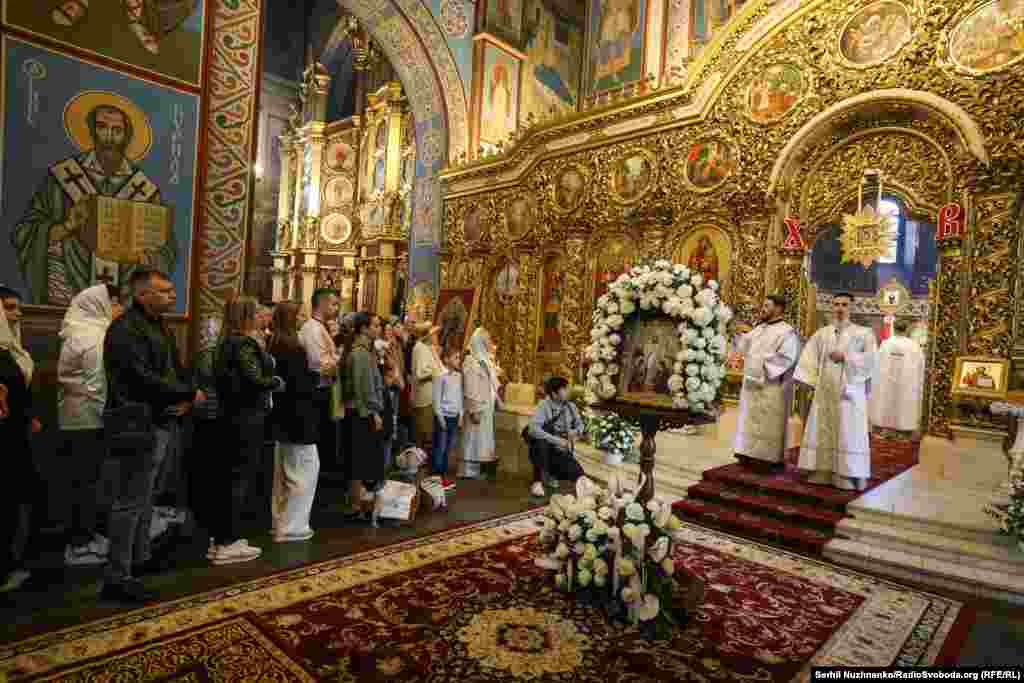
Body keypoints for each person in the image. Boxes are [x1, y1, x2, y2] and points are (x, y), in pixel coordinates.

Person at [102, 269, 201, 602]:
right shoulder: (125, 329)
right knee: (129, 501)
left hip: (159, 420)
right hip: (137, 423)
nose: (172, 296)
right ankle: (117, 575)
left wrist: (186, 397)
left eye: (172, 290)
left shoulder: (158, 325)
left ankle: (138, 560)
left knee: (145, 499)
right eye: (164, 291)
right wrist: (185, 393)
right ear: (142, 294)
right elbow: (140, 378)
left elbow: (174, 366)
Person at [211, 297, 283, 563]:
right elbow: (254, 378)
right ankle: (228, 541)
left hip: (231, 415)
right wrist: (275, 381)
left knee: (228, 477)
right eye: (256, 313)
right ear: (246, 316)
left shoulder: (225, 341)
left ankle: (222, 538)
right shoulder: (242, 342)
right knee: (238, 478)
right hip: (246, 417)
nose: (260, 317)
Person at [58, 283, 122, 566]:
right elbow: (97, 385)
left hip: (76, 415)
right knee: (86, 482)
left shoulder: (80, 329)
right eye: (116, 303)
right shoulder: (93, 335)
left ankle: (85, 537)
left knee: (82, 480)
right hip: (88, 418)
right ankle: (80, 544)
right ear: (102, 305)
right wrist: (109, 416)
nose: (120, 309)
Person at [794, 292, 878, 490]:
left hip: (849, 392)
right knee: (822, 428)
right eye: (837, 304)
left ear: (852, 308)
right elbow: (810, 356)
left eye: (844, 305)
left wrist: (847, 357)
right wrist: (807, 379)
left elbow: (872, 360)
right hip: (825, 391)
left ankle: (847, 474)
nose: (840, 308)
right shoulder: (822, 333)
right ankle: (822, 470)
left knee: (847, 432)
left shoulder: (864, 333)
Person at [0, 287, 41, 593]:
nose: (17, 314)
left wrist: (29, 415)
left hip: (15, 433)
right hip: (6, 436)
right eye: (9, 308)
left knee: (14, 498)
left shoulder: (10, 348)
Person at [268, 302, 321, 542]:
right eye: (299, 315)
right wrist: (320, 375)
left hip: (283, 416)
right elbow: (300, 384)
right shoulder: (292, 347)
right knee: (304, 471)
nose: (303, 318)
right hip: (298, 417)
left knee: (284, 473)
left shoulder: (275, 343)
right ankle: (293, 526)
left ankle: (280, 522)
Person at [733, 295, 801, 472]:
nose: (762, 308)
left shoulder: (787, 332)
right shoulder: (759, 328)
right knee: (750, 419)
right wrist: (739, 350)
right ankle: (746, 453)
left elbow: (786, 358)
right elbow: (743, 346)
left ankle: (768, 459)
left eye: (766, 305)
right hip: (751, 384)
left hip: (771, 386)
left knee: (768, 422)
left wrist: (756, 362)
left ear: (778, 309)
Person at [344, 313, 387, 519]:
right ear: (363, 329)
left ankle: (360, 503)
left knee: (361, 459)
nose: (379, 329)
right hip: (363, 412)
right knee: (359, 460)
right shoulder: (360, 353)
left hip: (364, 411)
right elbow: (364, 388)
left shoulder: (365, 351)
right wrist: (374, 412)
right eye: (375, 325)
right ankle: (356, 504)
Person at [298, 288, 341, 473]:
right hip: (317, 391)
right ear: (321, 303)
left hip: (324, 389)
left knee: (326, 438)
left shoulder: (320, 326)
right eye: (333, 304)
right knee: (320, 439)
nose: (337, 308)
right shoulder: (313, 329)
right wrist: (339, 359)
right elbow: (318, 364)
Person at [527, 376, 584, 497]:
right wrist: (556, 440)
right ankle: (537, 482)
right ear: (554, 393)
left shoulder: (571, 406)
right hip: (545, 446)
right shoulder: (543, 405)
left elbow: (580, 425)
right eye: (565, 389)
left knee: (578, 473)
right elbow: (533, 429)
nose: (569, 391)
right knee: (540, 443)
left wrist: (575, 431)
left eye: (568, 388)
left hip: (563, 448)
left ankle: (552, 474)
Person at [870, 318, 925, 434]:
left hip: (886, 386)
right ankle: (903, 434)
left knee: (885, 408)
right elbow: (921, 367)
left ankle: (884, 433)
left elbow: (875, 366)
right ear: (908, 329)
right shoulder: (914, 346)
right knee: (904, 411)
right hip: (906, 387)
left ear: (893, 328)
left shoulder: (885, 345)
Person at [461, 327, 502, 479]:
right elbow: (470, 387)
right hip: (477, 406)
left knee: (482, 437)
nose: (490, 343)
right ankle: (468, 470)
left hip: (486, 405)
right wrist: (474, 408)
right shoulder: (471, 361)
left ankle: (479, 467)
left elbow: (492, 383)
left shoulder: (485, 360)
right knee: (473, 436)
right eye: (487, 341)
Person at [432, 347, 464, 477]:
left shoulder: (459, 376)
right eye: (455, 357)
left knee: (449, 446)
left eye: (458, 358)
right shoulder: (440, 376)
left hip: (454, 416)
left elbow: (460, 396)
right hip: (443, 416)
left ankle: (444, 472)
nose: (458, 360)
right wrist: (440, 418)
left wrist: (461, 414)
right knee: (440, 446)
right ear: (446, 359)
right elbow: (436, 399)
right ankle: (436, 473)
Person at [411, 323, 442, 451]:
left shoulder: (427, 348)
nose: (436, 337)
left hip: (431, 395)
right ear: (428, 336)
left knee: (428, 433)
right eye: (434, 334)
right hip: (424, 396)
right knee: (424, 434)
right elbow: (420, 373)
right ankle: (419, 464)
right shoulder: (420, 348)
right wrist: (434, 372)